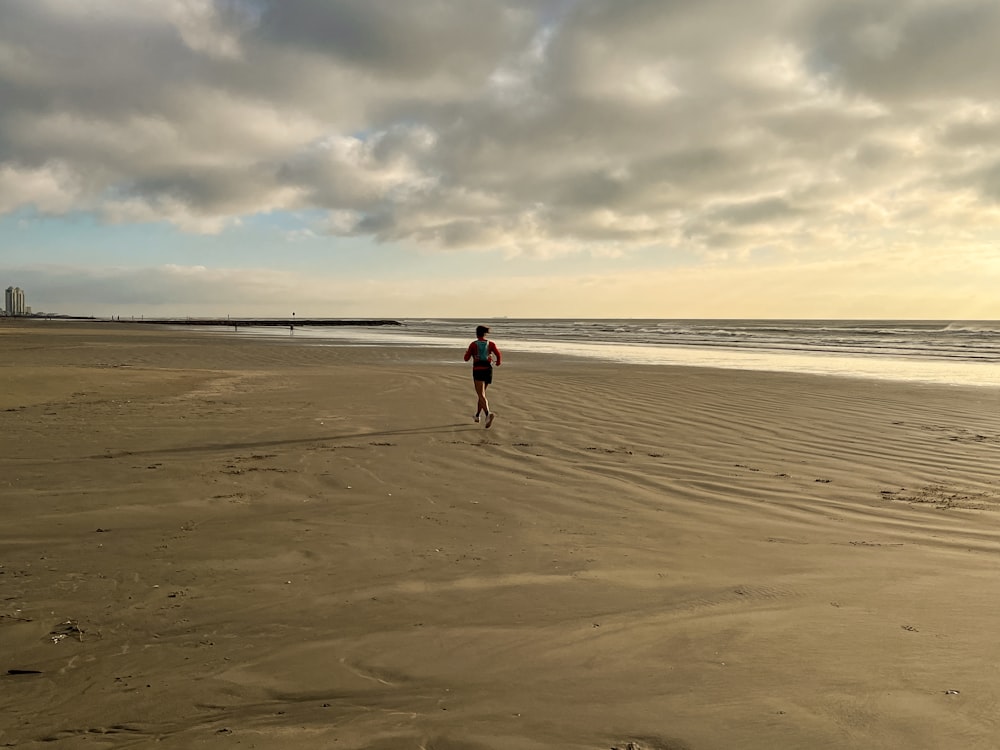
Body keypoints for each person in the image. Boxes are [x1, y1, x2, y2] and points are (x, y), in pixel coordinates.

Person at [463, 325, 501, 428]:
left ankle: (488, 414)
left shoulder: (473, 344)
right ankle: (477, 415)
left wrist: (467, 353)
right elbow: (498, 354)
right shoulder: (491, 344)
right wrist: (497, 362)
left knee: (481, 394)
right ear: (485, 333)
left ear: (476, 333)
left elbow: (466, 359)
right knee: (482, 394)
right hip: (488, 370)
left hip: (478, 370)